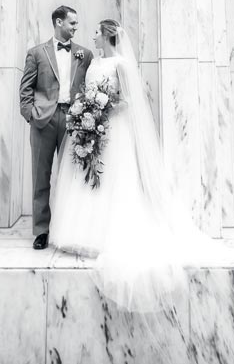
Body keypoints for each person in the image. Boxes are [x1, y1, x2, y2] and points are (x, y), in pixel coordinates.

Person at [48, 18, 213, 311]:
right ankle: (80, 232)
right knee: (87, 173)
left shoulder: (121, 65)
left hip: (114, 130)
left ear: (108, 36)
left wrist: (101, 109)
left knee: (113, 179)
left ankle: (105, 234)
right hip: (93, 125)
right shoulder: (94, 63)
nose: (93, 36)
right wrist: (86, 108)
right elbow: (88, 91)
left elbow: (127, 101)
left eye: (97, 32)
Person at [19, 4, 94, 250]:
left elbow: (88, 86)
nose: (76, 27)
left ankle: (67, 230)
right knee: (41, 177)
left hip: (72, 120)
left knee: (70, 178)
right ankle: (41, 231)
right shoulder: (36, 53)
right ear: (59, 22)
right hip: (43, 120)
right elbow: (26, 89)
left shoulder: (85, 54)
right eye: (72, 23)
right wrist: (30, 114)